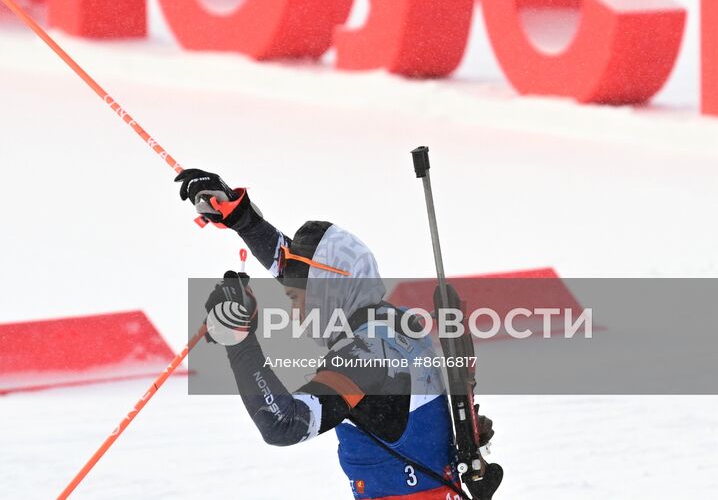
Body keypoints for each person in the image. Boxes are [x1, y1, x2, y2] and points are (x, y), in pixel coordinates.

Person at [177, 168, 494, 500]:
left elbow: (283, 424)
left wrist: (239, 342)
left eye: (295, 299)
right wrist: (242, 218)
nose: (294, 314)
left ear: (327, 293)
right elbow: (306, 273)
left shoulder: (366, 357)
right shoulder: (394, 323)